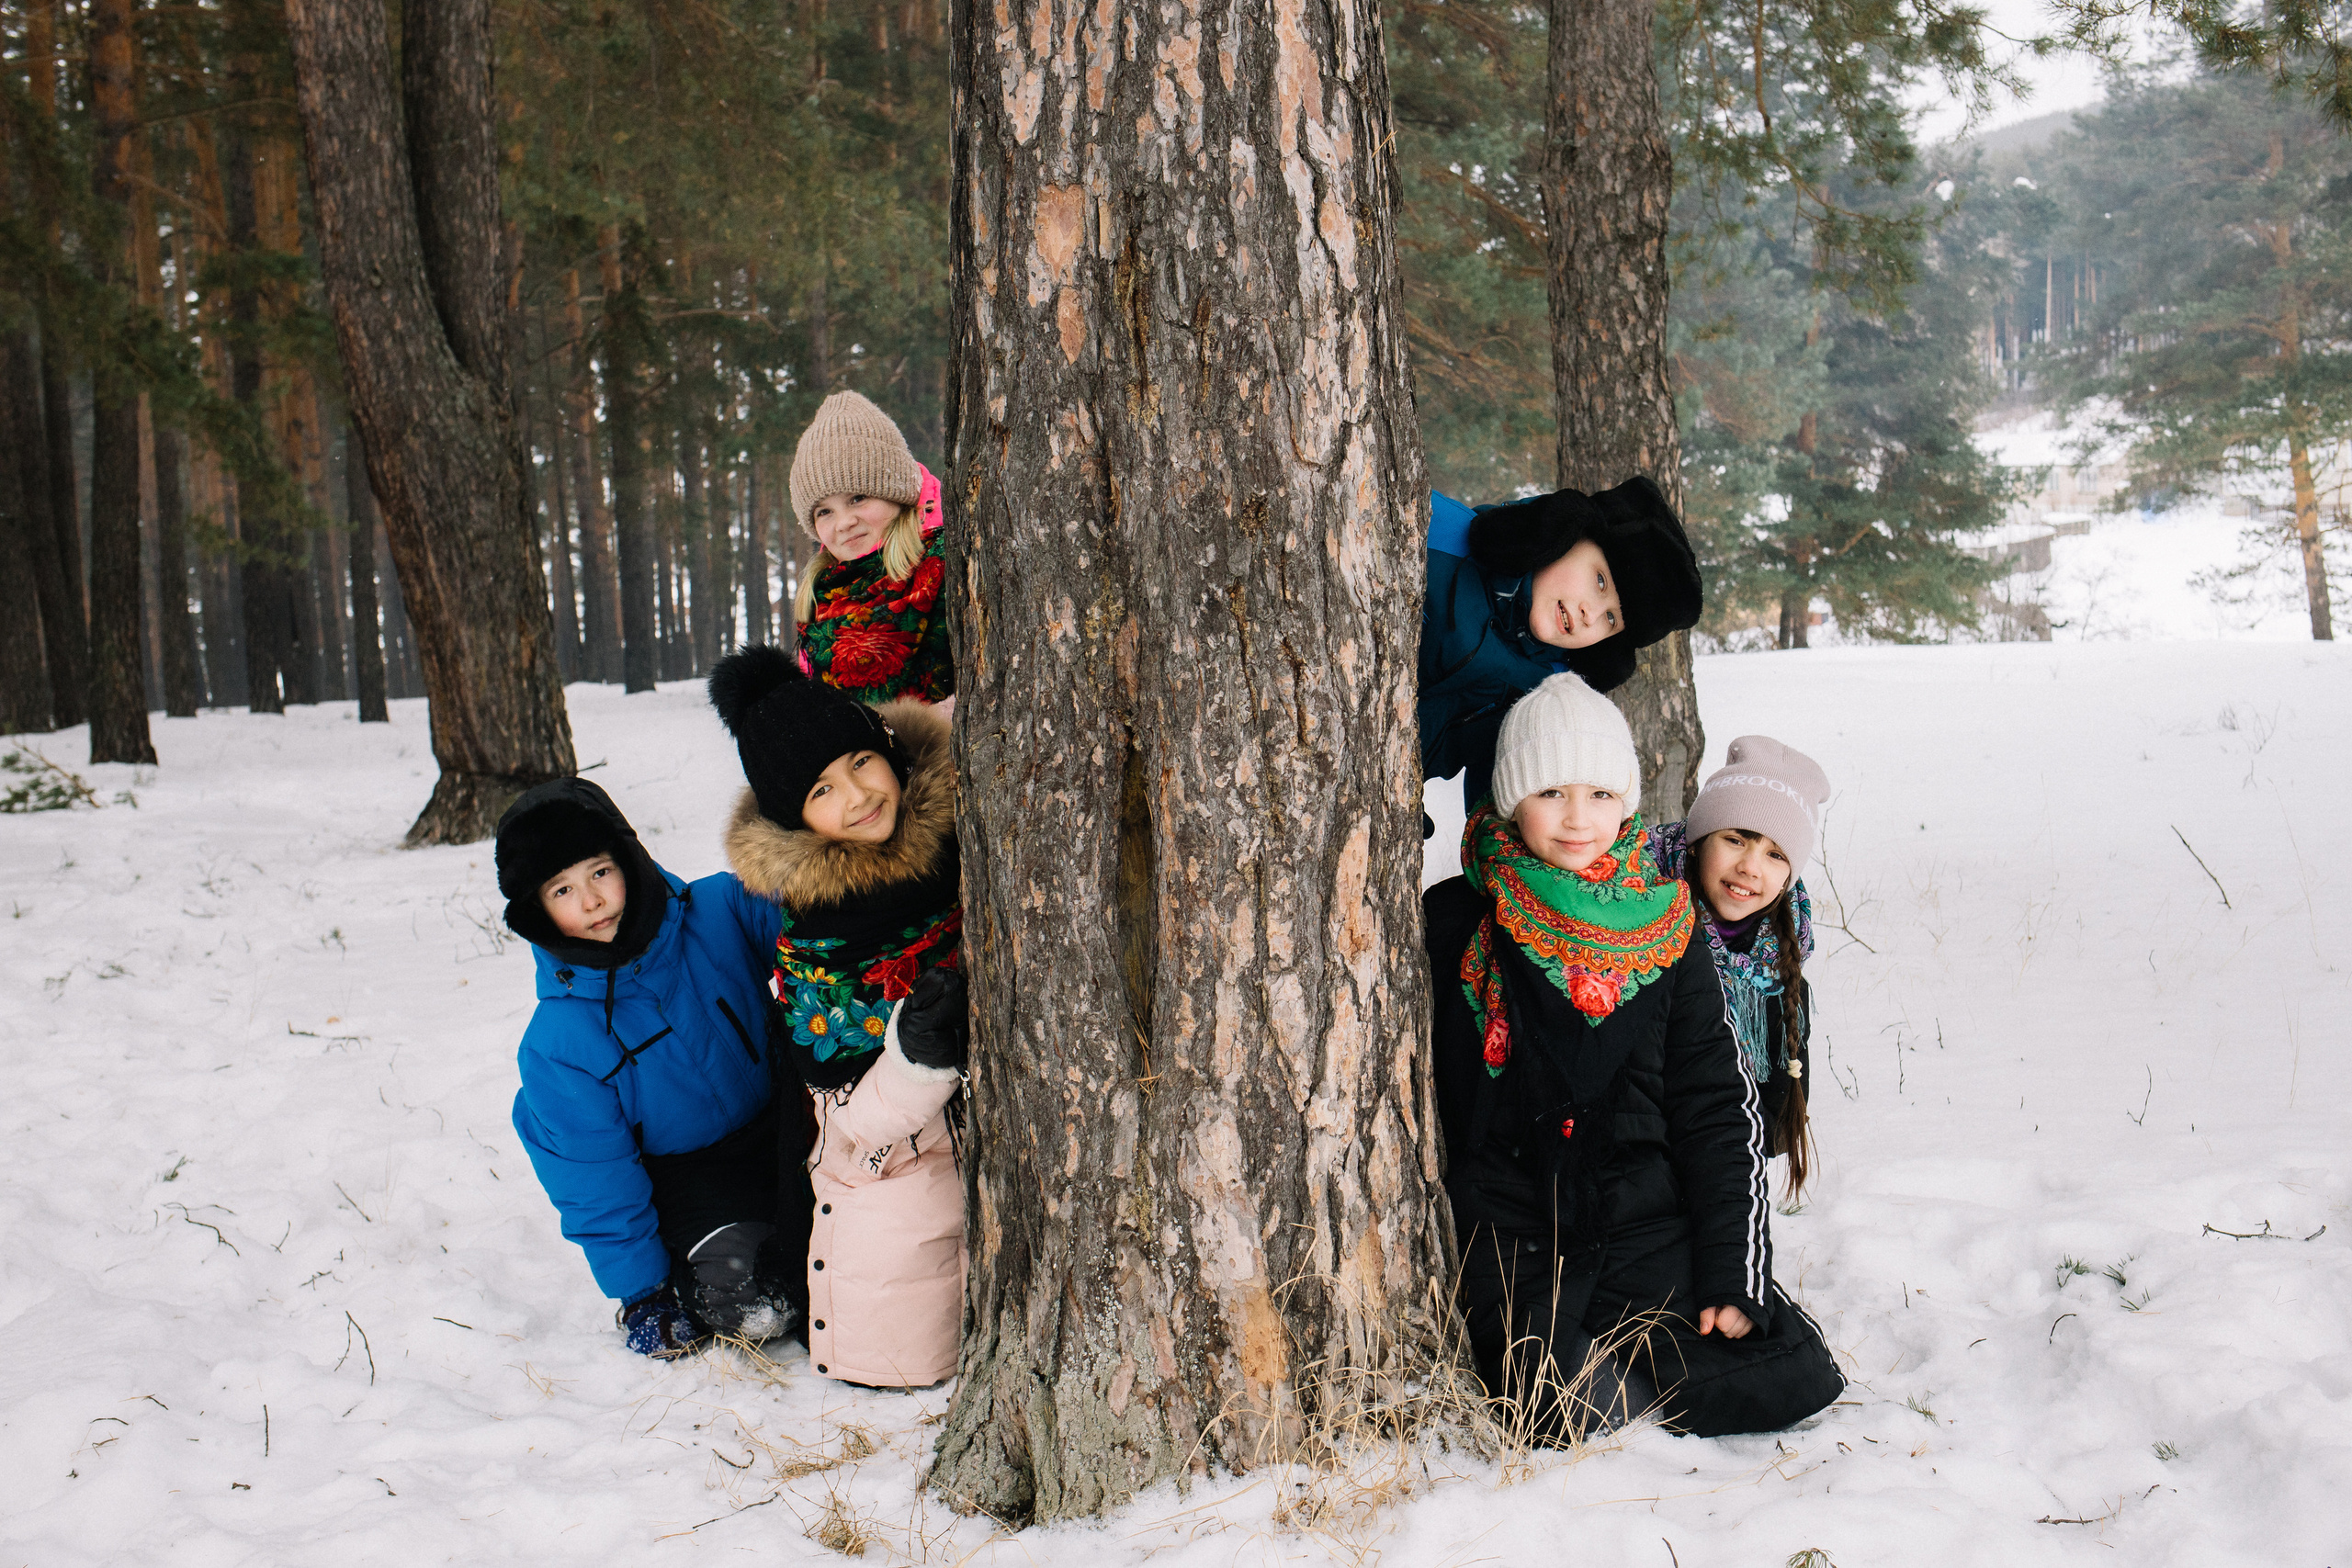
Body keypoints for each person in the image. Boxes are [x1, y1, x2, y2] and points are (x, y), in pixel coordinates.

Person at [1423, 673, 1843, 1440]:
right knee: (1545, 1399)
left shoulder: (1667, 923)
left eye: (1599, 794)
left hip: (1639, 1214)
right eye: (1551, 792)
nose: (1579, 818)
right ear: (1513, 798)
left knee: (1780, 1366)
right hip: (1517, 1216)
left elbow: (1717, 1105)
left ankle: (1647, 1368)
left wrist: (1731, 1269)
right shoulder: (1459, 916)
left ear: (1628, 801)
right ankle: (1604, 1375)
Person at [709, 644, 967, 1388]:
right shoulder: (823, 945)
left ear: (889, 746)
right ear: (799, 819)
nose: (856, 795)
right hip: (894, 1154)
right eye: (822, 790)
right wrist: (917, 1058)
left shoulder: (957, 820)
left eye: (860, 761)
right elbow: (846, 1119)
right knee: (901, 1352)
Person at [500, 777, 806, 1360]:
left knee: (848, 1251)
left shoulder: (718, 912)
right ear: (537, 912)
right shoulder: (559, 1046)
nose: (590, 901)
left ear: (629, 859)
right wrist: (642, 1292)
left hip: (789, 1127)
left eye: (598, 872)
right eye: (561, 891)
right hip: (691, 1180)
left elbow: (811, 917)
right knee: (747, 1303)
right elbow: (595, 1179)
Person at [1419, 478, 1703, 805]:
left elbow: (1503, 808)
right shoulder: (1436, 531)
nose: (1590, 615)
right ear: (1567, 536)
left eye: (1611, 619)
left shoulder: (1539, 695)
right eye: (1599, 581)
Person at [1647, 738, 1831, 1198]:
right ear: (1697, 841)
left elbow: (1777, 1113)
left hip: (1724, 1174)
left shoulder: (1780, 962)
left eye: (1775, 854)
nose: (1750, 867)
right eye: (1736, 840)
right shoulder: (1640, 922)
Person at [788, 390, 954, 707]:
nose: (844, 522)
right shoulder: (820, 599)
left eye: (858, 498)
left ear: (897, 493)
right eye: (824, 512)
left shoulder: (948, 562)